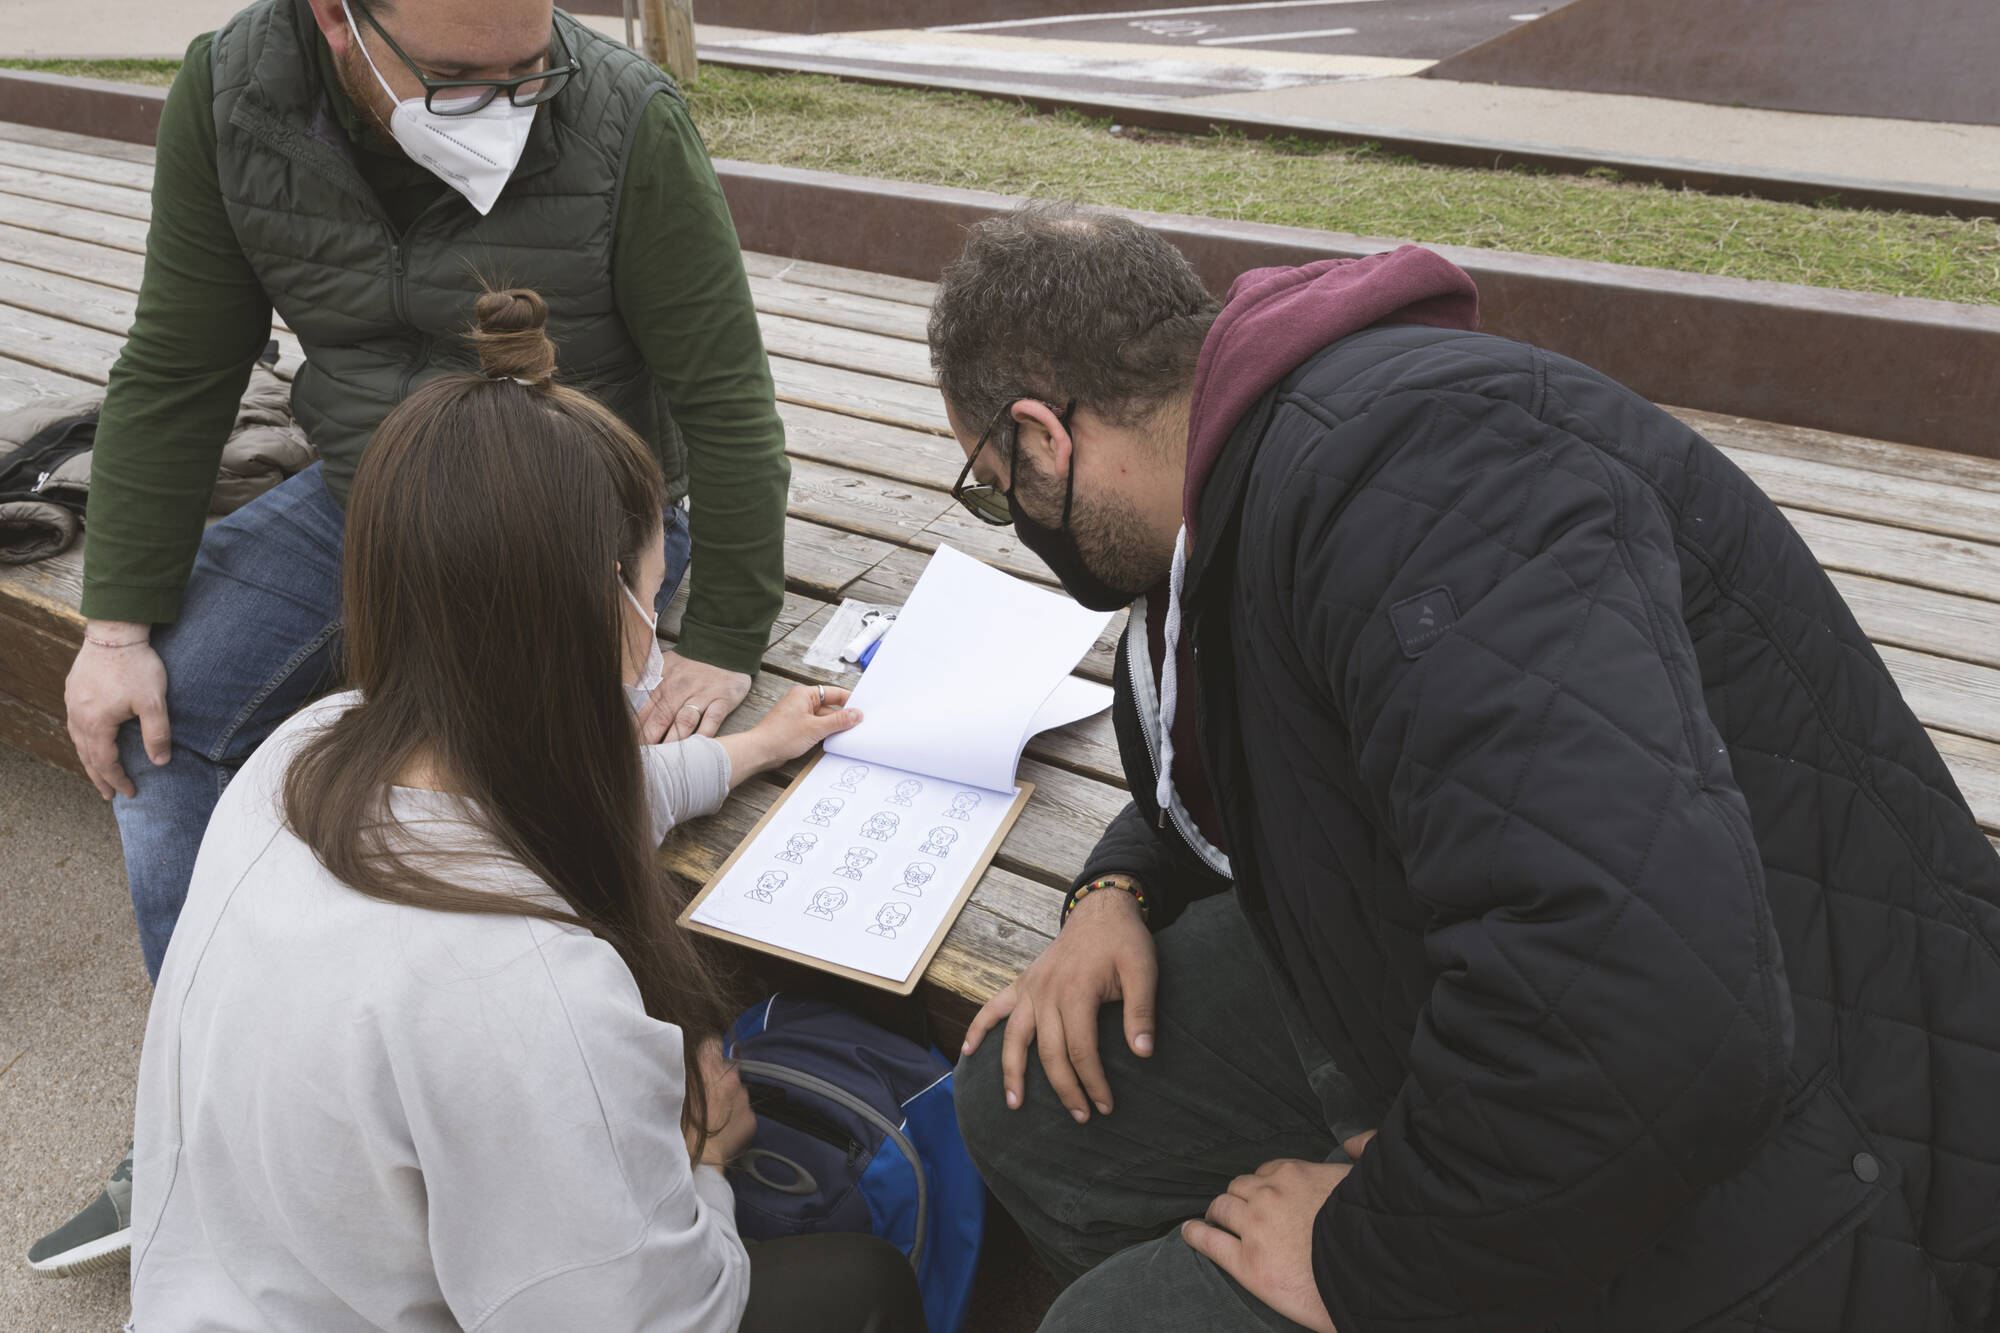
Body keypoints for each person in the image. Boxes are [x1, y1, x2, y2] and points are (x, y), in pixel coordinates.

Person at [933, 203, 2000, 1332]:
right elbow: (1233, 770)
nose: (1014, 521)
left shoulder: (1419, 474)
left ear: (1045, 440)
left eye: (995, 488)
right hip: (1478, 989)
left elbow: (1638, 1004)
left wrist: (1361, 1257)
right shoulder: (1228, 484)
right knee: (1018, 1092)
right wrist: (1113, 893)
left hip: (1807, 1154)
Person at [38, 0, 790, 1273]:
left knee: (528, 764)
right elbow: (177, 363)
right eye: (453, 77)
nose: (505, 104)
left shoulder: (624, 124)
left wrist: (718, 633)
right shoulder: (232, 101)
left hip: (577, 519)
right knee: (162, 724)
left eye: (529, 68)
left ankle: (561, 1133)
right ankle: (220, 1113)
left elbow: (727, 397)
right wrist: (114, 626)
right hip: (359, 495)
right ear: (340, 24)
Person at [125, 291, 926, 1333]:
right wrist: (705, 1167)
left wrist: (750, 748)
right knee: (861, 1285)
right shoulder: (530, 995)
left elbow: (574, 795)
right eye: (653, 590)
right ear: (610, 611)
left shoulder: (307, 750)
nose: (656, 626)